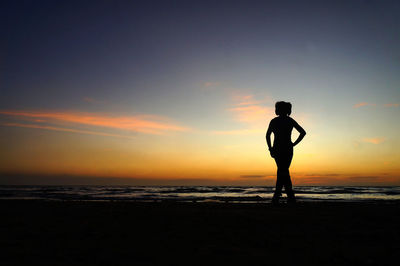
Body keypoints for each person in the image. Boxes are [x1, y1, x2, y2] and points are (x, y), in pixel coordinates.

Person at [266, 101, 306, 204]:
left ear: (278, 110)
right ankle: (289, 196)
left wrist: (270, 148)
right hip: (287, 149)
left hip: (278, 149)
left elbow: (267, 135)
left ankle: (279, 196)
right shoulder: (289, 120)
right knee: (283, 171)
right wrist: (294, 144)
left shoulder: (274, 121)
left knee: (282, 171)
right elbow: (303, 132)